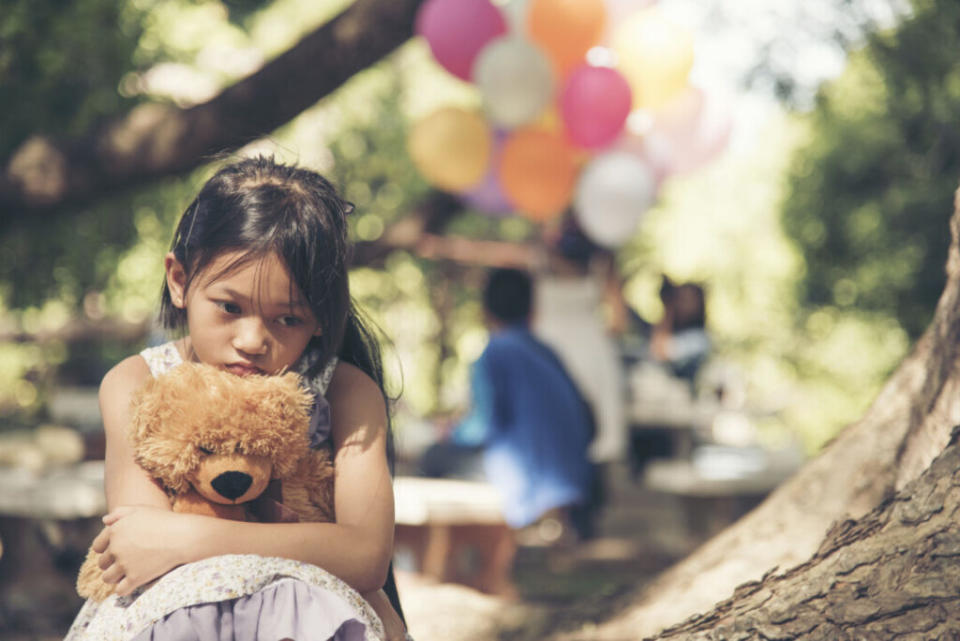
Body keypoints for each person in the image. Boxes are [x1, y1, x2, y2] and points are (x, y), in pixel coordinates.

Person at [65, 156, 408, 641]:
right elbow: (137, 546)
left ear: (320, 321)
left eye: (287, 318)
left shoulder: (345, 392)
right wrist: (313, 544)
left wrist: (187, 536)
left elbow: (366, 556)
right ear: (180, 281)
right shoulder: (135, 382)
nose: (252, 339)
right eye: (230, 307)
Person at [420, 268, 595, 543]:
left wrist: (451, 432)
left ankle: (452, 553)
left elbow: (483, 427)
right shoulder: (546, 350)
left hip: (527, 481)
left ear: (485, 310)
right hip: (574, 478)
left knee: (433, 456)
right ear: (531, 308)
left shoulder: (495, 351)